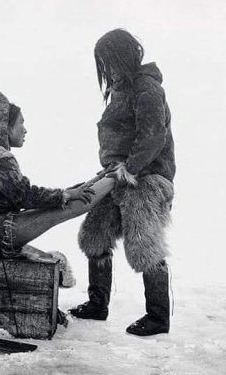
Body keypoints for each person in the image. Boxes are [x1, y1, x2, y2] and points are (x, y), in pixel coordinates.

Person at [69, 29, 176, 336]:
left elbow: (153, 134)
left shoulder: (146, 88)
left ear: (122, 56)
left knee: (144, 246)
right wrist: (115, 172)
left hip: (146, 177)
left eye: (109, 60)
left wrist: (130, 168)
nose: (106, 67)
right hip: (117, 176)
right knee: (94, 235)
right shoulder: (122, 89)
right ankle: (97, 304)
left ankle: (158, 317)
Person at [0, 85, 116, 270]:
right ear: (5, 126)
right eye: (20, 123)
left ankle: (109, 177)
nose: (25, 129)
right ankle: (118, 176)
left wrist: (76, 189)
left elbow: (22, 194)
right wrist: (66, 195)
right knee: (69, 208)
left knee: (69, 199)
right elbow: (25, 196)